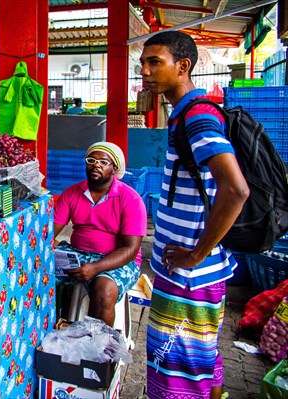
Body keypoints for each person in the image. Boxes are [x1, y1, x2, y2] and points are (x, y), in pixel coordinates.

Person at [140, 31, 248, 399]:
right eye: (143, 63)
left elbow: (235, 190)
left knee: (177, 371)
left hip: (189, 274)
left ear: (183, 66)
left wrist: (195, 255)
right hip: (188, 270)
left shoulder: (197, 117)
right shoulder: (183, 115)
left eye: (155, 62)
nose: (145, 71)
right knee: (202, 358)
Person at [53, 142, 146, 327]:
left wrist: (95, 268)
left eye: (103, 162)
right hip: (78, 253)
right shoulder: (72, 193)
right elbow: (49, 232)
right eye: (91, 160)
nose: (96, 165)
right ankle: (46, 333)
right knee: (37, 274)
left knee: (103, 289)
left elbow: (131, 249)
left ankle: (96, 348)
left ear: (114, 168)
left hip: (117, 259)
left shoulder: (130, 199)